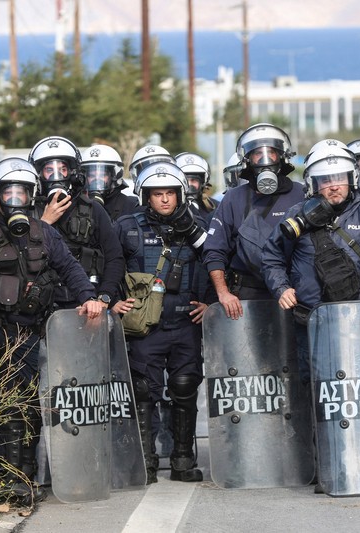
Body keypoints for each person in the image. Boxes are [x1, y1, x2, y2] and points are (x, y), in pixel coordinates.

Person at [0, 159, 103, 505]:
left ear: (31, 195)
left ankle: (21, 478)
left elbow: (71, 268)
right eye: (9, 191)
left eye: (22, 191)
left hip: (28, 332)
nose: (16, 198)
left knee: (23, 406)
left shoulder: (44, 232)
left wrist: (89, 299)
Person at [261, 141, 360, 385]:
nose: (334, 185)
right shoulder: (296, 214)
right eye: (325, 180)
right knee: (315, 389)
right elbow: (271, 256)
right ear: (313, 184)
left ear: (352, 177)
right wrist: (281, 288)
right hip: (311, 322)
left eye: (339, 178)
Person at [113, 161, 210, 484]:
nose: (165, 200)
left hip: (185, 319)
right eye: (157, 194)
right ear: (146, 196)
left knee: (184, 386)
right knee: (144, 391)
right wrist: (113, 299)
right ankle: (146, 462)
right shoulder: (127, 226)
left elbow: (217, 259)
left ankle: (183, 459)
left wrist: (209, 301)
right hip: (145, 324)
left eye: (170, 193)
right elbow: (112, 264)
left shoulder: (199, 225)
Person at [202, 123, 306, 320]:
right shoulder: (233, 198)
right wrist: (223, 293)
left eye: (271, 153)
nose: (265, 159)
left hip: (295, 293)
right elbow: (214, 250)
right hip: (248, 296)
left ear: (282, 156)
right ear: (247, 159)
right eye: (257, 153)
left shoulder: (301, 193)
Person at [29, 136, 124, 311]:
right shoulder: (29, 211)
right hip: (40, 305)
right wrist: (44, 223)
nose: (56, 175)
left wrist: (104, 298)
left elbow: (115, 258)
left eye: (62, 169)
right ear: (39, 174)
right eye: (49, 169)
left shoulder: (93, 209)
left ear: (72, 173)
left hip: (86, 304)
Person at [81, 143, 141, 221]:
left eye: (102, 175)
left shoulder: (133, 206)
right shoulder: (76, 206)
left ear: (114, 176)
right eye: (92, 175)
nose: (97, 180)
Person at [175, 151, 219, 219]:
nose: (189, 185)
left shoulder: (216, 208)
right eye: (185, 181)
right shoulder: (168, 208)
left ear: (202, 183)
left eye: (194, 180)